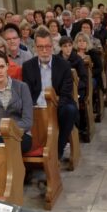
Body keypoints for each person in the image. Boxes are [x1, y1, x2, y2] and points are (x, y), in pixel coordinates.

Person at [22, 27, 78, 158]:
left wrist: (53, 106)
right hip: (36, 107)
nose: (44, 50)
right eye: (40, 47)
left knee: (70, 110)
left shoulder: (63, 65)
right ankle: (34, 150)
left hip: (59, 105)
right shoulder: (28, 66)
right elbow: (27, 92)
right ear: (35, 47)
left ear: (52, 46)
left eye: (47, 46)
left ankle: (58, 150)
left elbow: (66, 93)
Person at [0, 51, 33, 154]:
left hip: (20, 135)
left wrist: (0, 132)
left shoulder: (22, 87)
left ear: (7, 66)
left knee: (1, 143)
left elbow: (27, 121)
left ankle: (13, 170)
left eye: (2, 66)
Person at [58, 36, 90, 142]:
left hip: (76, 90)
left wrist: (73, 87)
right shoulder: (56, 59)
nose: (67, 49)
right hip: (60, 91)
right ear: (61, 47)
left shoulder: (77, 59)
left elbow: (84, 79)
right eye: (65, 46)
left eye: (69, 46)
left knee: (71, 104)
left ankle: (75, 128)